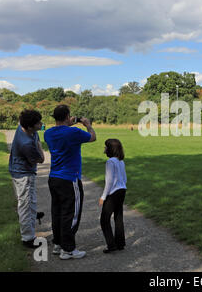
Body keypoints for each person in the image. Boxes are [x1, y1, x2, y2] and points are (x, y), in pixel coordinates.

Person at [44, 105, 96, 260]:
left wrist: (69, 123)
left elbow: (61, 130)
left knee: (57, 212)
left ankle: (58, 243)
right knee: (71, 214)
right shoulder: (73, 132)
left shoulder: (48, 133)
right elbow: (93, 137)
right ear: (67, 116)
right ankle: (68, 249)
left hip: (54, 178)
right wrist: (87, 125)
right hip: (70, 178)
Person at [9, 110, 45, 248]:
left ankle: (32, 216)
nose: (41, 124)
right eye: (38, 123)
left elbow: (35, 136)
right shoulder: (26, 143)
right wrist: (39, 146)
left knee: (28, 202)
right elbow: (40, 159)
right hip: (24, 174)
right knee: (25, 204)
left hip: (20, 171)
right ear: (30, 127)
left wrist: (36, 140)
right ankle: (28, 238)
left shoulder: (22, 127)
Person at [100, 139, 127, 253]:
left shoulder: (110, 162)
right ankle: (120, 243)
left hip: (113, 192)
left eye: (106, 147)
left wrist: (103, 196)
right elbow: (124, 178)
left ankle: (111, 245)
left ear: (111, 149)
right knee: (118, 217)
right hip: (122, 190)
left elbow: (109, 181)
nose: (104, 149)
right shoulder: (121, 161)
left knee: (104, 220)